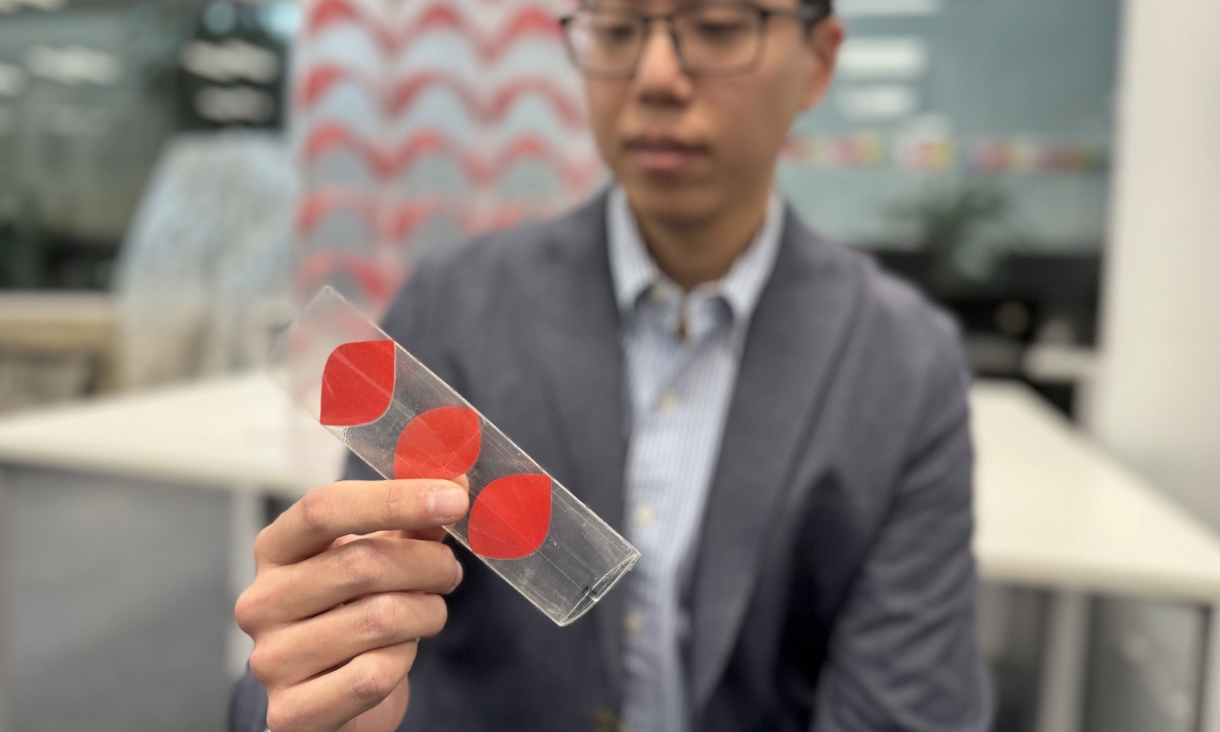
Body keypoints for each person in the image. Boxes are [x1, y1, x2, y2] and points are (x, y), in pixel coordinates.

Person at [232, 0, 994, 728]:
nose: (656, 76)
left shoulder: (903, 364)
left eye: (720, 27)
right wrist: (307, 692)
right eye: (619, 27)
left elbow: (907, 709)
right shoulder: (454, 308)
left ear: (819, 60)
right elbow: (344, 646)